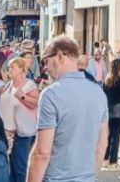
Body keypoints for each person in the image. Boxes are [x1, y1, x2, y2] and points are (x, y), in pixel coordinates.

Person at [26, 35, 108, 182]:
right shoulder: (99, 93)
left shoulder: (51, 94)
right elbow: (102, 145)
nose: (44, 66)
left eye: (46, 60)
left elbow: (42, 153)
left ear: (59, 56)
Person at [0, 57, 39, 182]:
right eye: (9, 67)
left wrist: (22, 96)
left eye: (12, 67)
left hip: (20, 133)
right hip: (6, 133)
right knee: (8, 168)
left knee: (20, 168)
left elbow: (36, 103)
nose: (9, 69)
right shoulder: (7, 85)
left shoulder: (29, 85)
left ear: (21, 69)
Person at [102, 58, 120, 171]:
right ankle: (113, 162)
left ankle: (104, 160)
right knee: (116, 137)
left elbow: (103, 95)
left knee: (108, 137)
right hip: (118, 112)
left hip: (108, 111)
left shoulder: (107, 79)